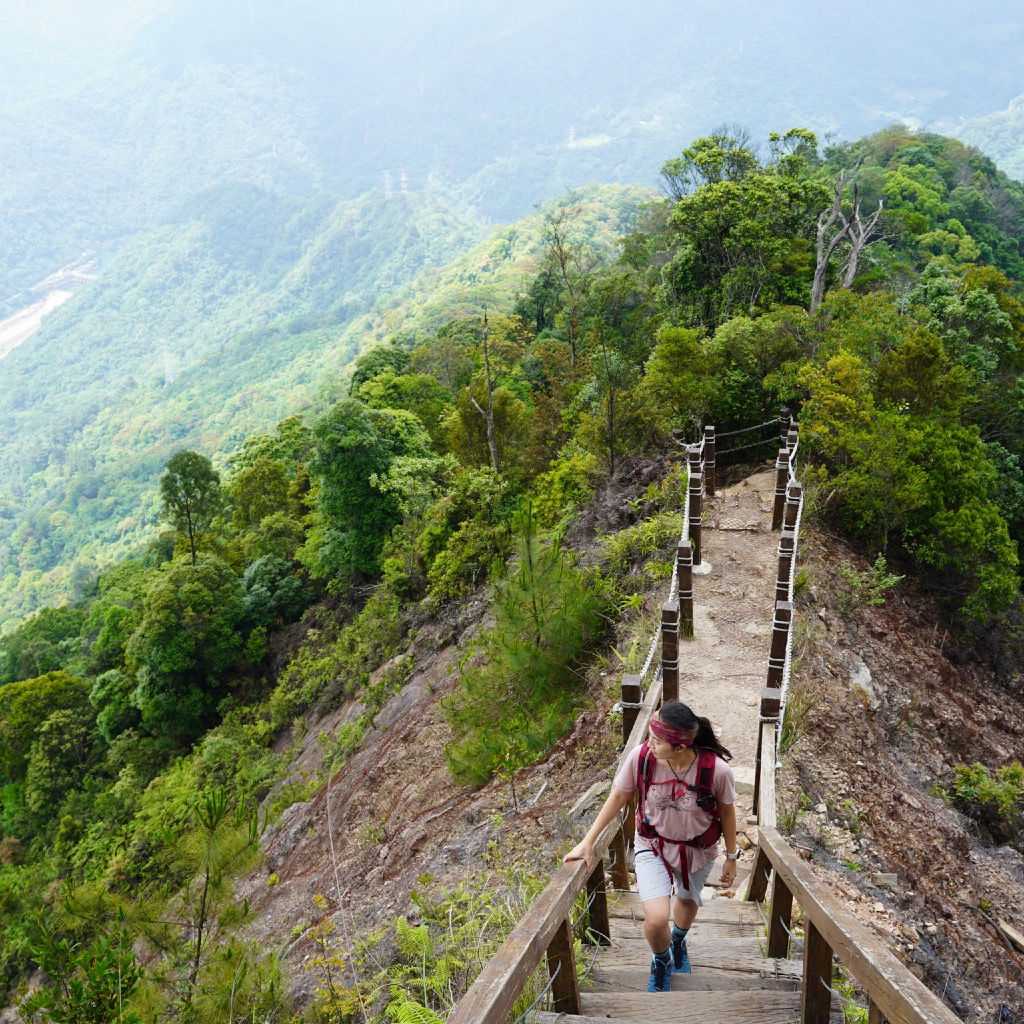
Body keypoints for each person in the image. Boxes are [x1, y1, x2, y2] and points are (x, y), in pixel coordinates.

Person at [563, 700, 738, 992]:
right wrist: (587, 841)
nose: (650, 744)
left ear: (680, 747)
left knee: (686, 900)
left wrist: (731, 857)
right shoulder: (642, 758)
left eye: (657, 740)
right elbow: (618, 797)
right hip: (652, 844)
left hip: (697, 850)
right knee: (656, 921)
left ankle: (678, 941)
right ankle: (662, 959)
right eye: (650, 736)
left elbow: (728, 813)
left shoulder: (716, 771)